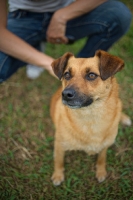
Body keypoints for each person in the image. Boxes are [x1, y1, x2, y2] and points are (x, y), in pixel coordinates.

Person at [0, 0, 132, 83]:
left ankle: (82, 72)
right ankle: (35, 49)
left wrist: (62, 16)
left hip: (70, 10)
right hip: (23, 17)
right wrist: (48, 63)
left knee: (118, 16)